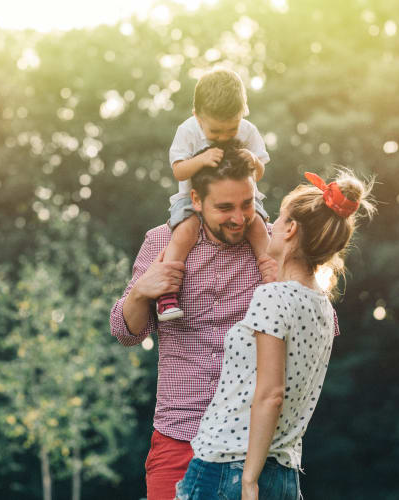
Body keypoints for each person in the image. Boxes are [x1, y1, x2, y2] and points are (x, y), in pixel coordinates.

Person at [175, 170, 375, 500]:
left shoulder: (274, 297)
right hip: (285, 476)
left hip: (229, 469)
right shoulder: (324, 308)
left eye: (280, 219)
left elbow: (272, 394)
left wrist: (249, 480)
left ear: (292, 229)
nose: (271, 226)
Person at [110, 143, 278, 500]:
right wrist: (142, 292)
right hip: (179, 435)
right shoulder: (161, 241)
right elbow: (125, 332)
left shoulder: (273, 245)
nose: (238, 217)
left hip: (251, 442)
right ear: (196, 199)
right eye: (224, 207)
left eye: (247, 204)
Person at [156, 67, 271, 321]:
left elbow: (259, 173)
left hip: (242, 196)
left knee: (259, 229)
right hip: (190, 199)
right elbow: (179, 171)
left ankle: (273, 280)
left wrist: (252, 160)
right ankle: (167, 295)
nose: (222, 138)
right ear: (197, 116)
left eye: (230, 131)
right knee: (184, 233)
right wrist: (202, 159)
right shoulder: (187, 131)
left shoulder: (249, 131)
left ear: (243, 113)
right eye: (215, 132)